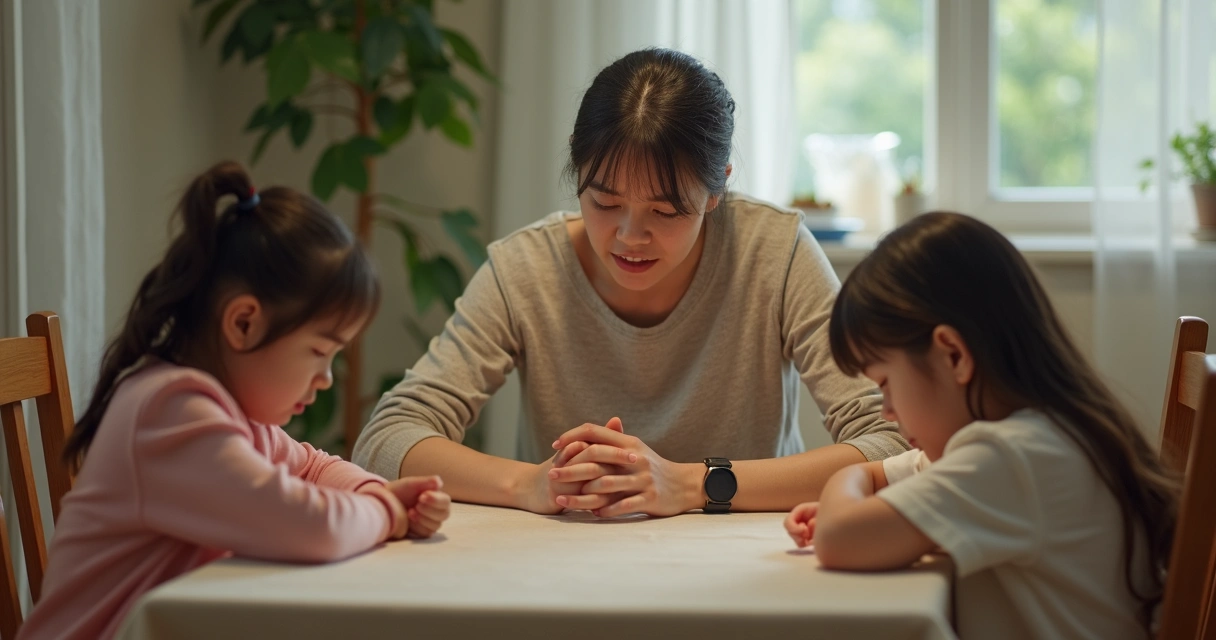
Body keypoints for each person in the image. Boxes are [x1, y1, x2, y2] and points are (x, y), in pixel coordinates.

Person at [354, 47, 906, 518]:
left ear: (716, 191)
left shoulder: (775, 253)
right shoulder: (525, 270)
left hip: (742, 562)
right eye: (604, 202)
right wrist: (528, 484)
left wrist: (690, 484)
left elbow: (894, 441)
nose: (629, 237)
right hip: (563, 566)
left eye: (665, 212)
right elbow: (386, 436)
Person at [19, 163, 451, 640]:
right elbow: (312, 527)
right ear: (244, 323)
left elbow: (312, 466)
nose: (327, 378)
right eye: (319, 352)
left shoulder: (230, 414)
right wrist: (386, 513)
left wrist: (376, 491)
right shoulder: (170, 412)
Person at [784, 212, 1178, 639]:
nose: (887, 412)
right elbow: (879, 475)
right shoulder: (1044, 434)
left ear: (953, 355)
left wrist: (845, 498)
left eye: (885, 384)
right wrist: (857, 501)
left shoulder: (1011, 454)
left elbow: (839, 539)